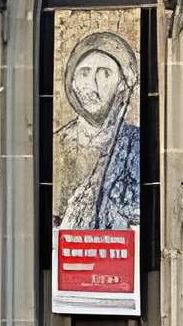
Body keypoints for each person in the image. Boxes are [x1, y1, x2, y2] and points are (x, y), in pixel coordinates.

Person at [57, 28, 142, 231]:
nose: (91, 84)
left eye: (104, 73)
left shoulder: (135, 144)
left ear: (123, 84)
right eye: (84, 73)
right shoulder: (57, 143)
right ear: (73, 82)